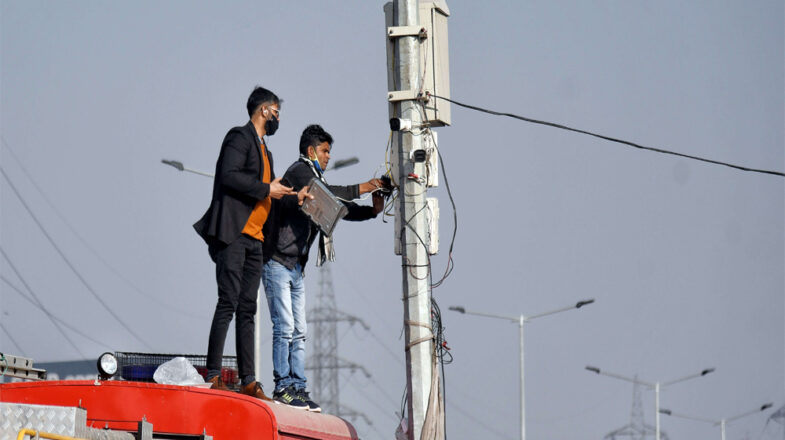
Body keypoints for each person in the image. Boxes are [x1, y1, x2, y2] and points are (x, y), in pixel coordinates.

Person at [193, 86, 308, 400]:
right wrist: (266, 188)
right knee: (227, 302)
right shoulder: (239, 137)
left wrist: (294, 196)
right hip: (234, 235)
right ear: (264, 110)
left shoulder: (266, 152)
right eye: (276, 112)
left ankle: (248, 380)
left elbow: (271, 191)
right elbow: (229, 175)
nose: (278, 118)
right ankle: (213, 374)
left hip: (256, 241)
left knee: (248, 310)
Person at [261, 124, 384, 411]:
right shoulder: (300, 172)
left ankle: (297, 387)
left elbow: (339, 208)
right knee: (285, 327)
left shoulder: (316, 179)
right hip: (277, 261)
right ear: (310, 151)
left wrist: (372, 210)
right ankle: (283, 387)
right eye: (325, 151)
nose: (328, 156)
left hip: (295, 267)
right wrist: (366, 186)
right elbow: (328, 194)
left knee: (299, 330)